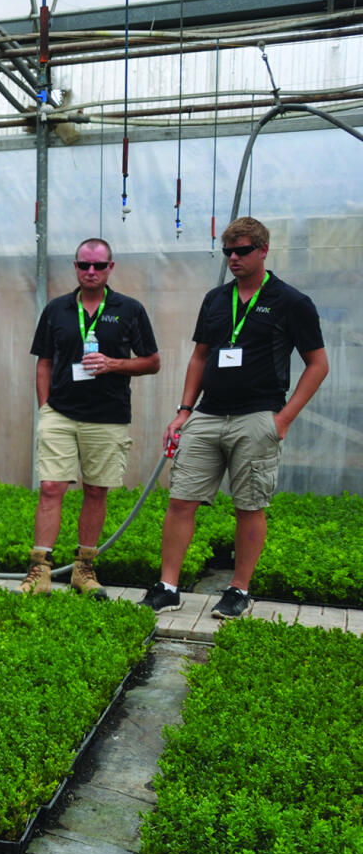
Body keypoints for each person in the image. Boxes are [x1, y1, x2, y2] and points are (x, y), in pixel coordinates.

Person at [146, 217, 328, 619]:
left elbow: (317, 365)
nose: (234, 258)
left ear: (263, 250)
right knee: (180, 500)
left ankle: (239, 589)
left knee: (249, 505)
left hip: (257, 416)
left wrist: (283, 419)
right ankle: (168, 585)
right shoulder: (215, 299)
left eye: (242, 251)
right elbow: (199, 357)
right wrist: (183, 412)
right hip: (208, 415)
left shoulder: (291, 301)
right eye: (228, 251)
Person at [23, 238, 159, 597]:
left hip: (108, 416)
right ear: (76, 267)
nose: (91, 272)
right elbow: (44, 362)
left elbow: (152, 362)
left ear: (110, 268)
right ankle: (39, 572)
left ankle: (83, 570)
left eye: (99, 266)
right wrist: (45, 407)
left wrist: (114, 364)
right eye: (84, 265)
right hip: (61, 413)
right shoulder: (57, 309)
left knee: (96, 491)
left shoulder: (129, 309)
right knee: (51, 487)